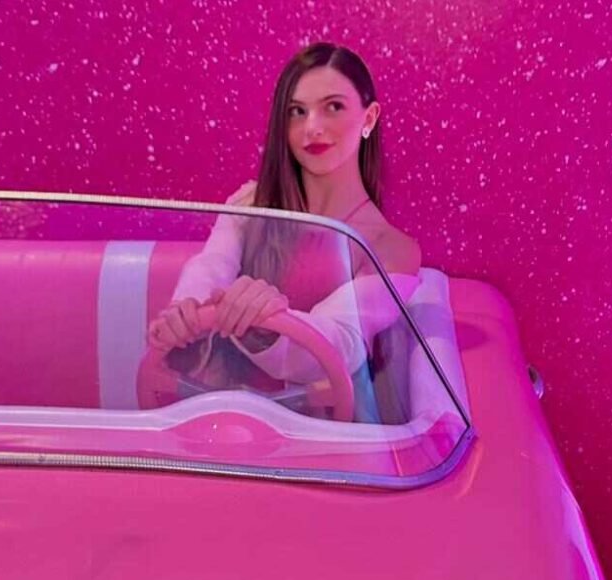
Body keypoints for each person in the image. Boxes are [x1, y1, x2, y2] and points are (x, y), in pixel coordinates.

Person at [147, 42, 421, 422]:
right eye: (297, 111)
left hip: (321, 434)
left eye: (333, 107)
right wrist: (185, 312)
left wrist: (267, 326)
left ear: (369, 118)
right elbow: (212, 265)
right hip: (220, 418)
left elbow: (341, 340)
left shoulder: (389, 248)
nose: (312, 128)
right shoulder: (250, 203)